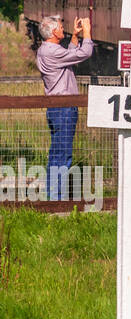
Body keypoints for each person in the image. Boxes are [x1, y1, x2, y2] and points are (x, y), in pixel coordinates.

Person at [36, 14, 94, 201]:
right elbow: (84, 54)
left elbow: (70, 57)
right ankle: (56, 200)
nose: (63, 29)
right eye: (61, 28)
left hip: (55, 109)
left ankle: (52, 195)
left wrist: (75, 38)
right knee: (63, 154)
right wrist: (87, 33)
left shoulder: (46, 50)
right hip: (64, 108)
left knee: (56, 153)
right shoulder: (52, 52)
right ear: (53, 32)